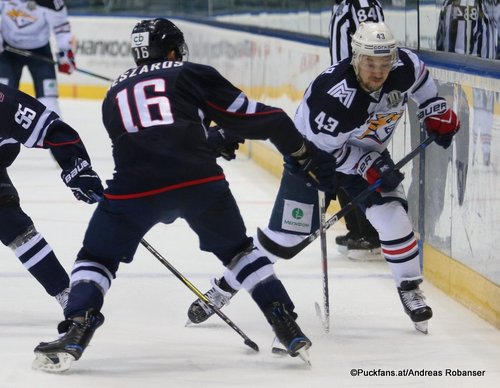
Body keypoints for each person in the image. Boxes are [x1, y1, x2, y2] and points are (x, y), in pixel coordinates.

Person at [32, 18, 338, 372]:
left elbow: (150, 144)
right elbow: (261, 118)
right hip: (198, 183)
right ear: (174, 49)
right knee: (239, 252)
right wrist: (301, 153)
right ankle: (286, 323)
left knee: (96, 257)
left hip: (135, 189)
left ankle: (77, 326)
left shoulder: (113, 94)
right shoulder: (190, 72)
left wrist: (208, 141)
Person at [188, 22, 460, 336]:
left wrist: (433, 108)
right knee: (283, 241)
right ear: (356, 57)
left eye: (384, 64)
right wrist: (366, 165)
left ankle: (410, 289)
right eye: (371, 64)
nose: (378, 72)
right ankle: (222, 288)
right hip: (311, 160)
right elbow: (319, 151)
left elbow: (422, 81)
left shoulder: (404, 66)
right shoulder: (335, 98)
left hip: (365, 154)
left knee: (394, 219)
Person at [0, 83, 103, 311]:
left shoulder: (5, 104)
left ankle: (65, 292)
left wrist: (77, 168)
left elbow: (52, 130)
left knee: (13, 225)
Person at [328, 0, 384, 258]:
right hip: (343, 90)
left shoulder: (362, 3)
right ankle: (357, 229)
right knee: (338, 160)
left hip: (356, 95)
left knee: (356, 161)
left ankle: (370, 233)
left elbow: (374, 48)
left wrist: (359, 94)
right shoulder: (344, 3)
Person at [0, 0, 76, 115]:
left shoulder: (52, 2)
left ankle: (54, 132)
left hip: (40, 51)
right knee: (2, 97)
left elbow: (61, 27)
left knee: (49, 100)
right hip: (8, 51)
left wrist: (65, 54)